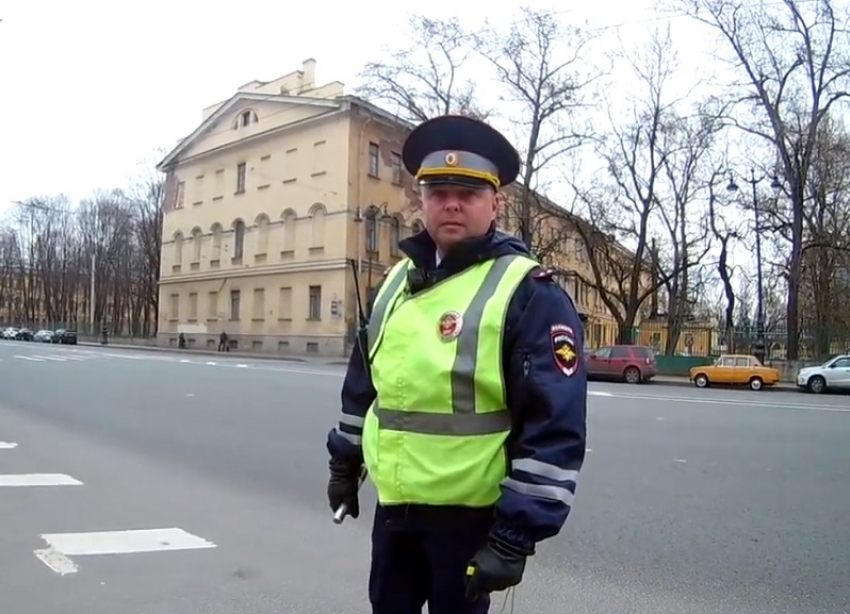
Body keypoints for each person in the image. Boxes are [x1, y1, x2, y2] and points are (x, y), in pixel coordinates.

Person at [326, 114, 588, 614]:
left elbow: (554, 424)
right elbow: (365, 384)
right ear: (421, 199)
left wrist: (513, 537)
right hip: (395, 512)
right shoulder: (396, 282)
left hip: (470, 522)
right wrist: (345, 463)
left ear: (496, 202)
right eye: (438, 190)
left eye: (467, 193)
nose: (451, 203)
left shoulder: (528, 291)